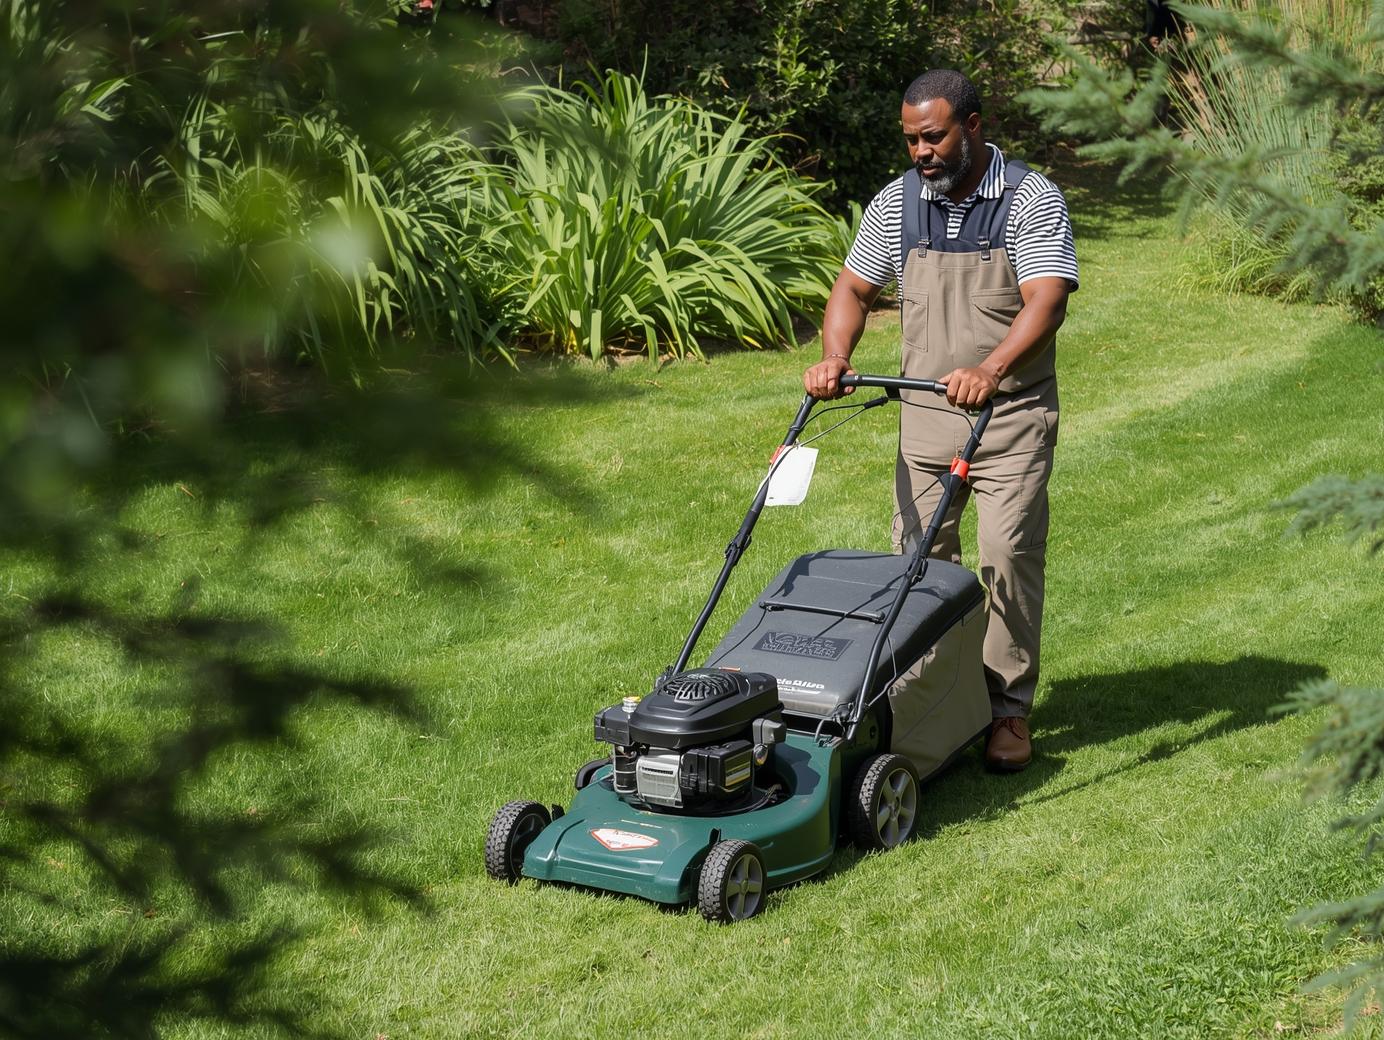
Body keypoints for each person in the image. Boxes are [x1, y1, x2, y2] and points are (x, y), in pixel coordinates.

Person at [803, 68, 1078, 772]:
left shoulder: (1028, 199)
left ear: (973, 126)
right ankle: (930, 705)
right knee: (920, 567)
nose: (920, 152)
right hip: (925, 422)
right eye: (911, 140)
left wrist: (992, 368)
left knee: (1008, 558)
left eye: (933, 136)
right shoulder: (896, 204)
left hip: (1009, 419)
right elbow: (854, 287)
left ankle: (1007, 710)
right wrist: (836, 355)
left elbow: (1046, 300)